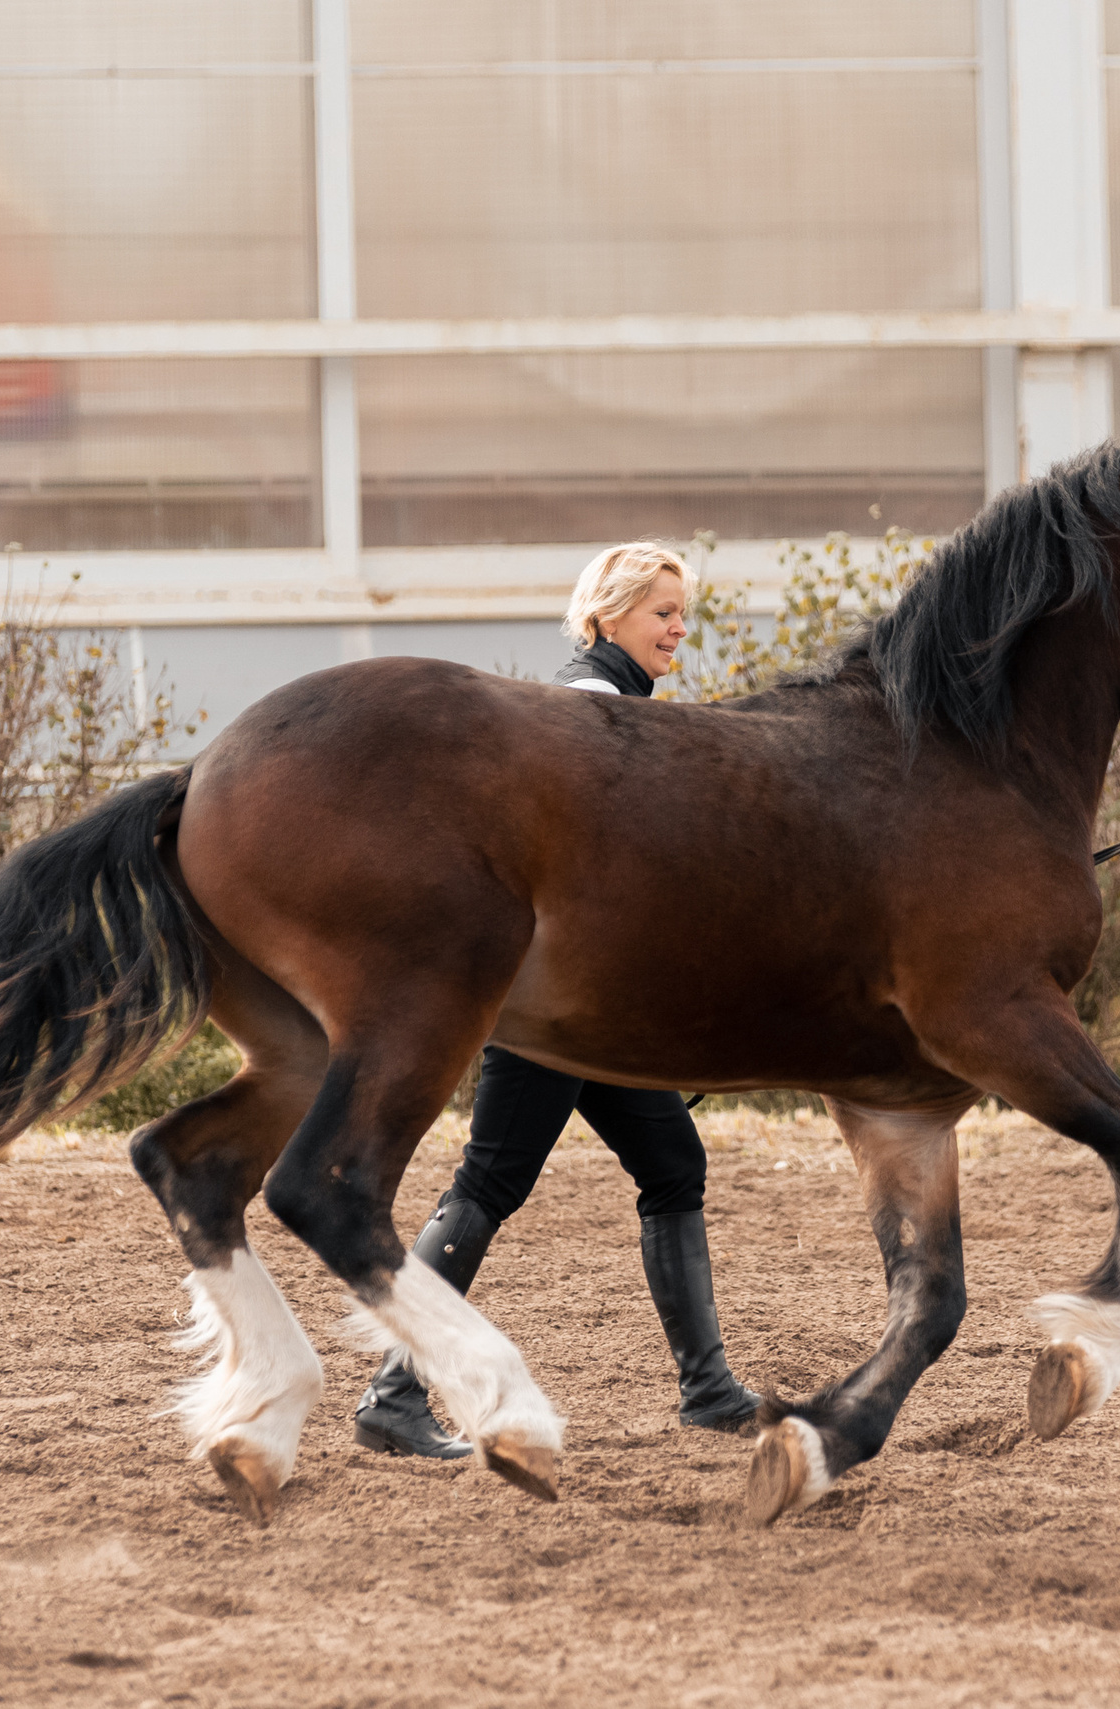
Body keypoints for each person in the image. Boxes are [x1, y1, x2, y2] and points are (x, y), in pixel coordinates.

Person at [354, 543, 762, 1458]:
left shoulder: (614, 709)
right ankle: (391, 1394)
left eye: (680, 611)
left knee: (672, 1163)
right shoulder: (592, 710)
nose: (679, 629)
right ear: (610, 615)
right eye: (664, 611)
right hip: (554, 1008)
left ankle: (707, 1389)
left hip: (594, 1013)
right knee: (490, 1184)